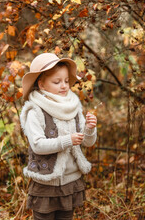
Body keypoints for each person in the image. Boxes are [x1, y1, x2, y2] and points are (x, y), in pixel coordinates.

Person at [20, 53, 97, 220]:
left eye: (66, 81)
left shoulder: (73, 106)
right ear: (41, 85)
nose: (64, 86)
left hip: (70, 181)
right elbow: (38, 145)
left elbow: (88, 142)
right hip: (46, 182)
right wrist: (67, 140)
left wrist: (90, 129)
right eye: (57, 82)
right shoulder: (35, 111)